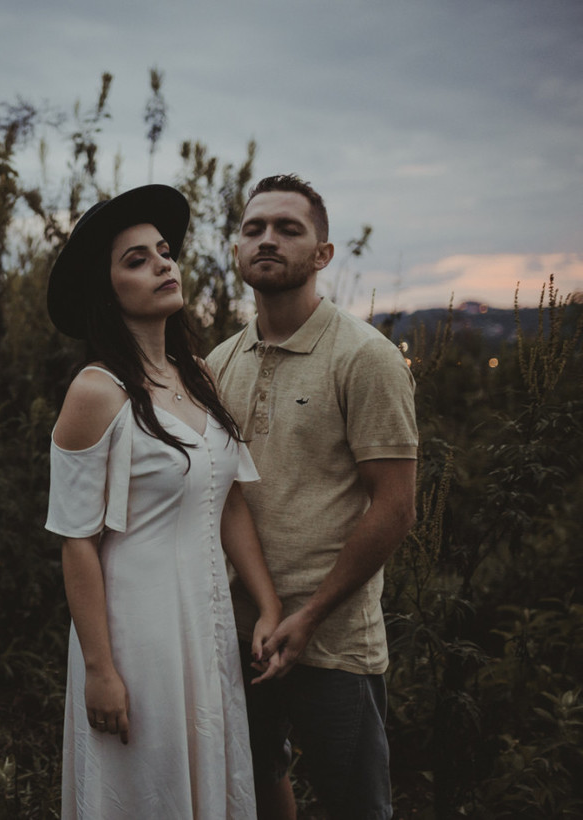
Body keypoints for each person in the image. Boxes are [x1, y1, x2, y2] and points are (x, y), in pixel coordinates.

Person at [45, 184, 283, 818]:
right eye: (136, 259)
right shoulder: (95, 392)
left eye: (166, 251)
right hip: (135, 632)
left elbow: (228, 500)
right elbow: (76, 541)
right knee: (146, 787)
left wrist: (265, 603)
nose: (163, 265)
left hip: (205, 623)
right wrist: (100, 668)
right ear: (108, 290)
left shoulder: (198, 375)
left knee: (207, 773)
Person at [206, 174, 418, 820]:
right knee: (259, 787)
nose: (267, 239)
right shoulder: (217, 365)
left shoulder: (364, 357)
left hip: (333, 641)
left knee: (357, 806)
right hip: (241, 634)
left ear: (322, 255)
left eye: (288, 229)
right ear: (237, 249)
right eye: (254, 228)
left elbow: (395, 508)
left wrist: (310, 615)